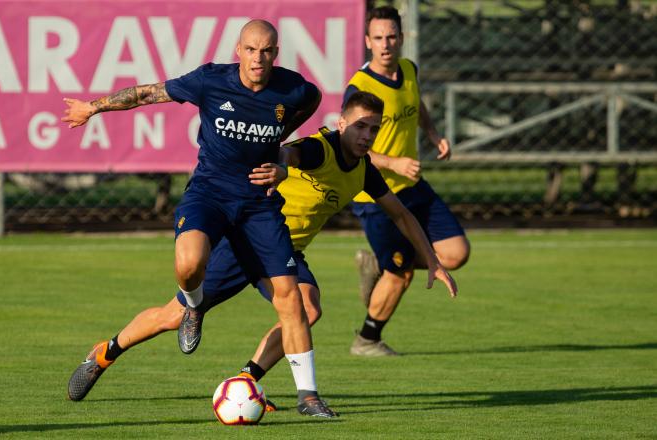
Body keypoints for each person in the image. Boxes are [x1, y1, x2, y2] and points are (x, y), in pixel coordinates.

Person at [67, 92, 457, 415]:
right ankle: (105, 353)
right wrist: (282, 168)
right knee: (172, 315)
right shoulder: (319, 149)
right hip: (247, 243)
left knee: (308, 309)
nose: (366, 135)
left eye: (374, 129)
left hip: (285, 249)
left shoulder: (364, 170)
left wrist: (434, 260)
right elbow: (289, 153)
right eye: (360, 126)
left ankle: (249, 381)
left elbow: (402, 215)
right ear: (342, 124)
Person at [62, 20, 334, 417]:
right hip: (210, 196)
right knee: (185, 277)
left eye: (267, 51)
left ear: (276, 53)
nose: (259, 58)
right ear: (238, 50)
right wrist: (94, 107)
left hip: (258, 210)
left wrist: (278, 153)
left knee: (295, 301)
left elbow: (307, 106)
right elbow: (146, 94)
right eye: (251, 49)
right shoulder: (210, 80)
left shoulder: (296, 89)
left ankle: (308, 397)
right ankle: (107, 352)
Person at [344, 6, 471, 356]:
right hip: (375, 195)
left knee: (457, 253)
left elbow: (415, 105)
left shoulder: (408, 70)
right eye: (378, 38)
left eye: (392, 37)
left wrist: (432, 134)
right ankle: (367, 339)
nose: (386, 44)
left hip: (412, 187)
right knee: (401, 273)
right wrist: (393, 162)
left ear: (402, 38)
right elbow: (350, 147)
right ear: (368, 41)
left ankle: (379, 263)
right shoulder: (360, 88)